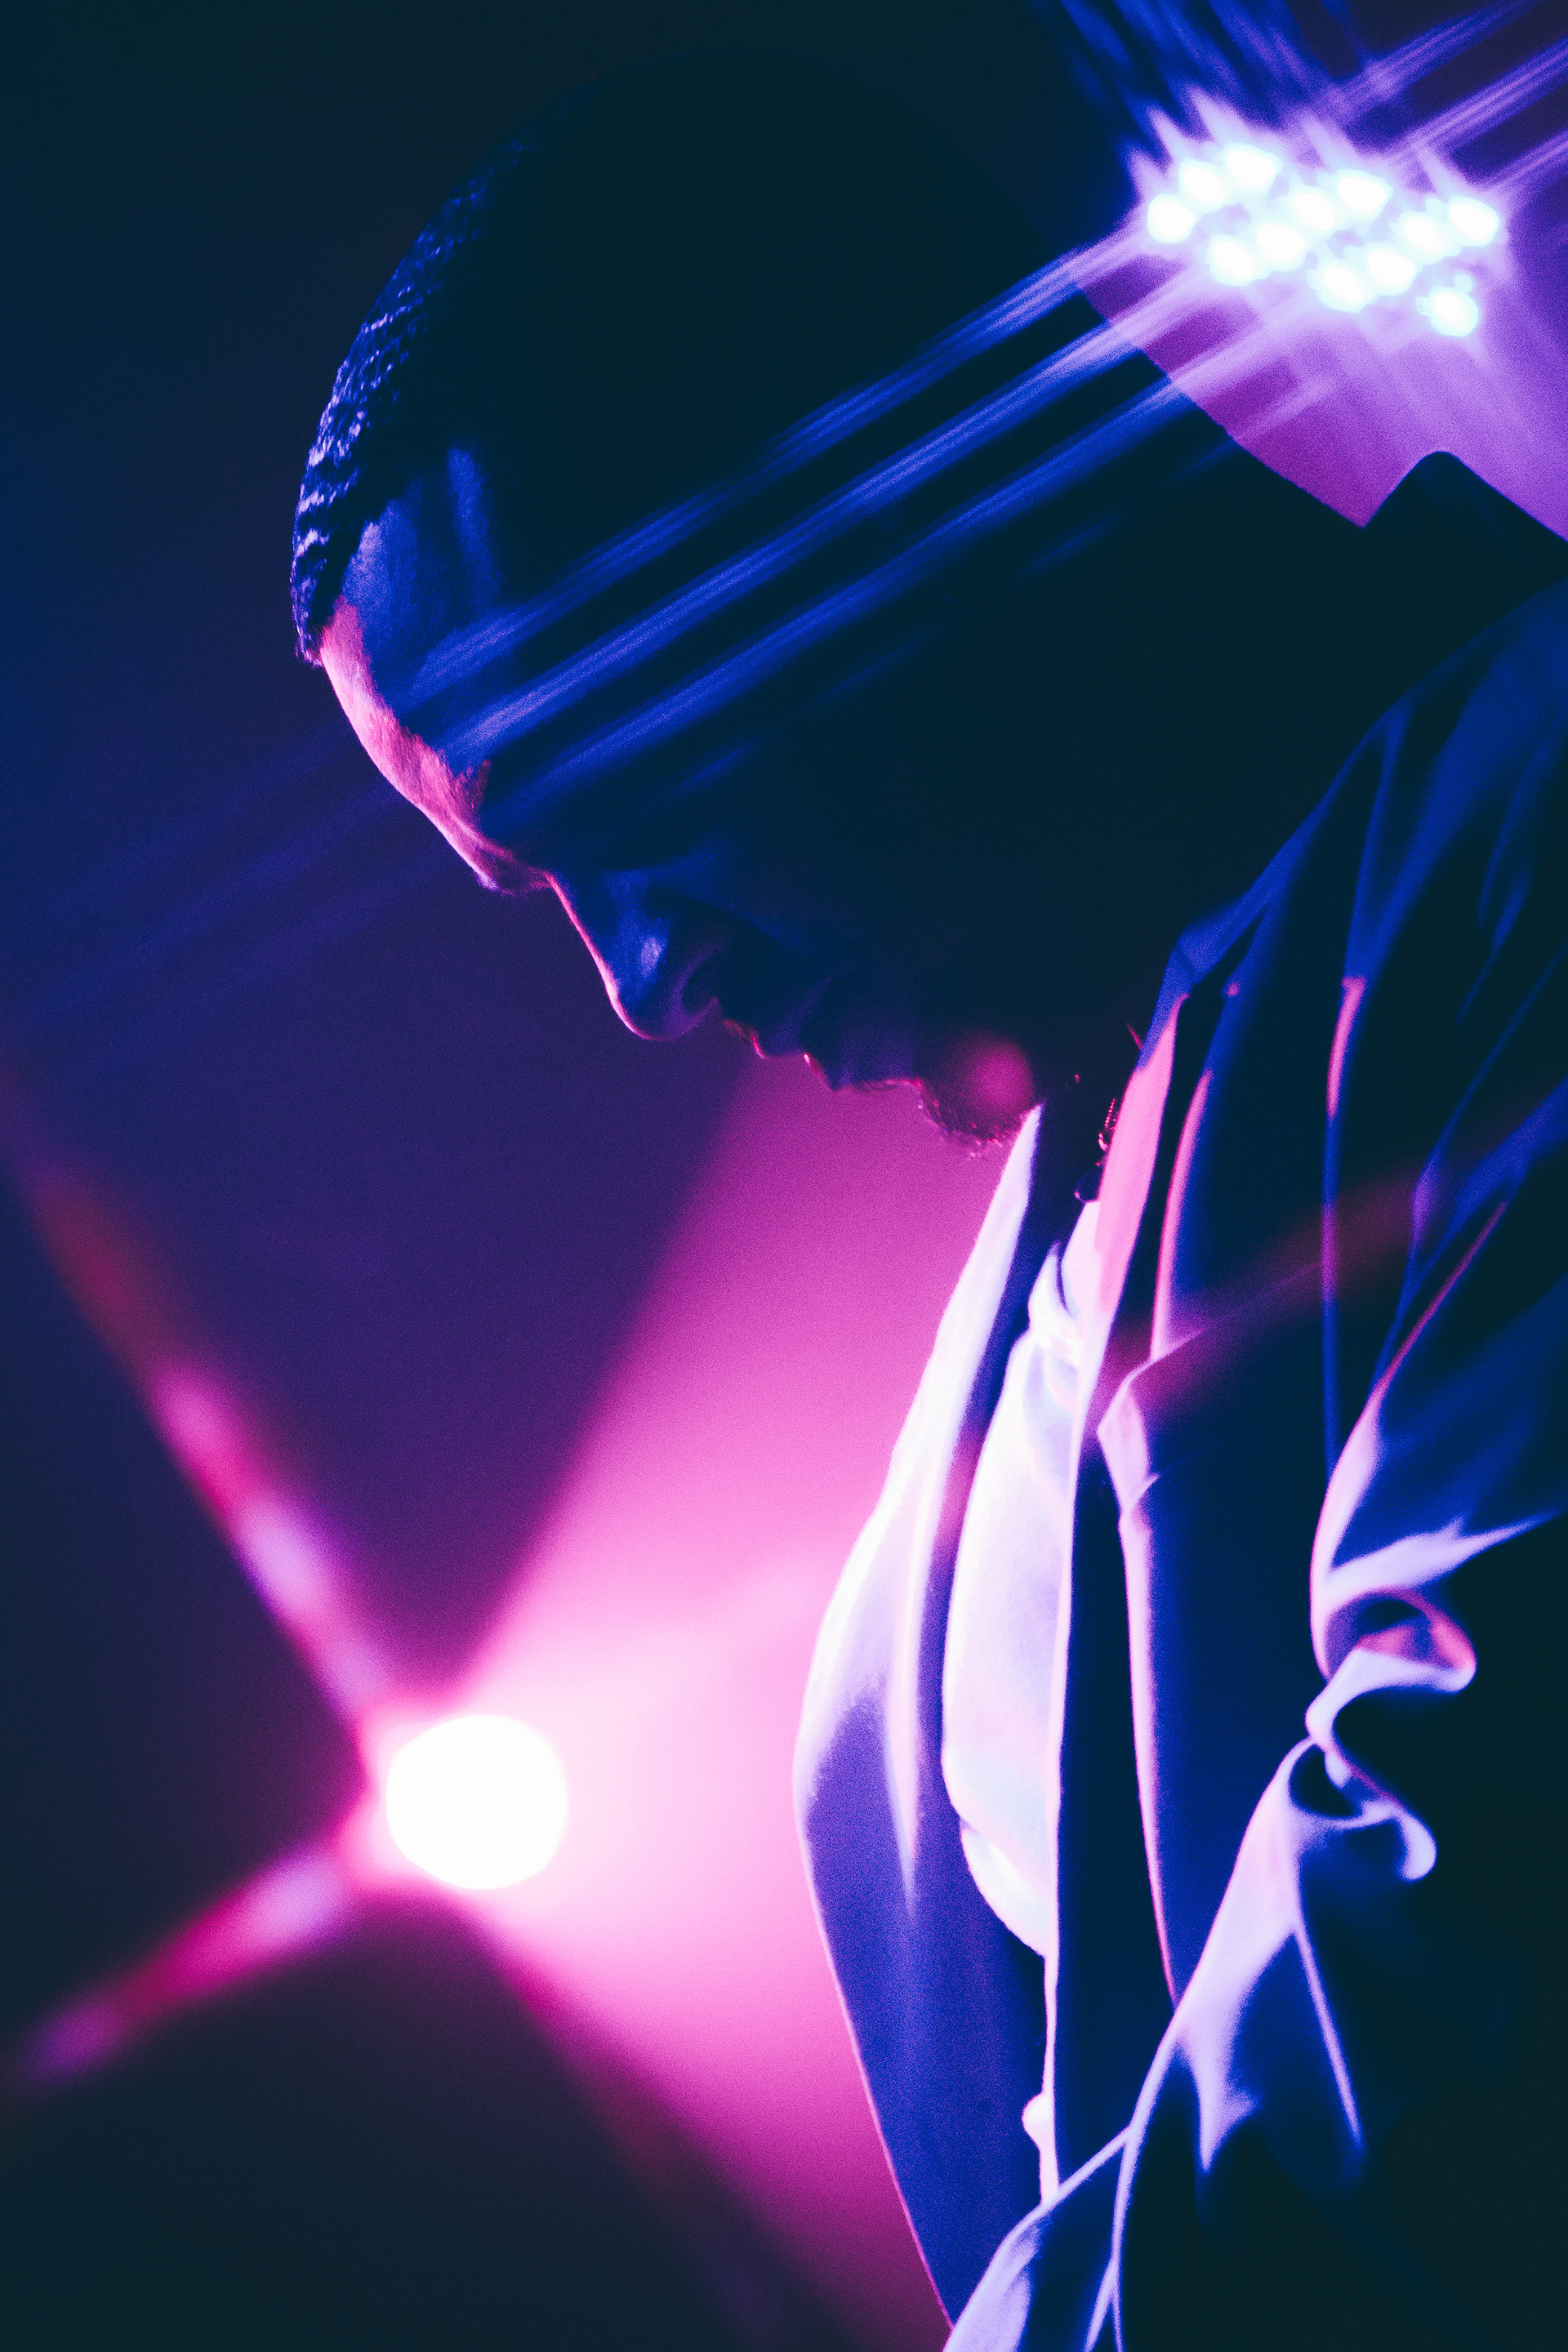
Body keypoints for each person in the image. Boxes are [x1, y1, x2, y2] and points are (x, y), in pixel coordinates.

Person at [290, 56, 1567, 2349]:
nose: (646, 980)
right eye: (543, 890)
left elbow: (1473, 1982)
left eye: (629, 783)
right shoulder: (914, 1564)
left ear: (918, 493)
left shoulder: (1529, 826)